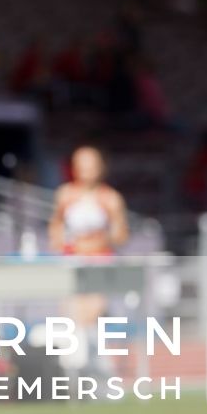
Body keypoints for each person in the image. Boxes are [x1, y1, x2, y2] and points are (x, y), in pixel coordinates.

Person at [47, 146, 129, 379]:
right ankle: (78, 369)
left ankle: (93, 368)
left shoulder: (110, 198)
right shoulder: (65, 195)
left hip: (100, 261)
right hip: (73, 261)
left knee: (90, 316)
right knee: (71, 315)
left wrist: (101, 239)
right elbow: (56, 225)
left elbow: (121, 234)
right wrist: (60, 240)